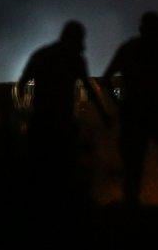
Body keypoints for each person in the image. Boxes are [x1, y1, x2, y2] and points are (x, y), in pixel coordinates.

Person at [103, 11, 158, 207]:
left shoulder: (129, 48)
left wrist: (120, 103)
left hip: (136, 113)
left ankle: (133, 205)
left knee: (134, 165)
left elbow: (106, 78)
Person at [18, 20, 110, 207]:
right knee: (63, 170)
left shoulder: (41, 54)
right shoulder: (75, 59)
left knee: (38, 170)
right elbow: (89, 89)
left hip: (40, 122)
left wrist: (23, 111)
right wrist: (104, 114)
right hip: (62, 124)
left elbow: (22, 83)